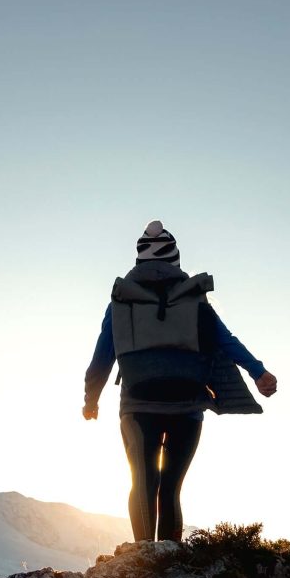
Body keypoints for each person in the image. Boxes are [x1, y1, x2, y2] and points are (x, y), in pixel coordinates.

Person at [83, 220, 277, 542]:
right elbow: (225, 340)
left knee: (143, 482)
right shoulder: (194, 301)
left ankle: (144, 560)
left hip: (137, 406)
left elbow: (102, 358)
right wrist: (258, 372)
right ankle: (168, 560)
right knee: (170, 487)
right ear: (175, 260)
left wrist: (91, 401)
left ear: (138, 262)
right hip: (187, 406)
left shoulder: (121, 303)